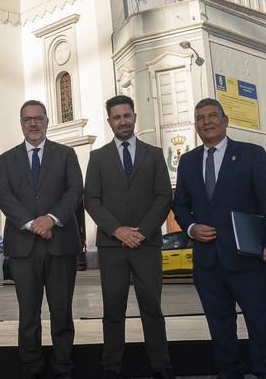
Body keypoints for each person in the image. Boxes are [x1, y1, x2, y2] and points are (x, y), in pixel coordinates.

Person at [173, 98, 266, 379]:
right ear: (196, 125)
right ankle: (229, 374)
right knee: (220, 329)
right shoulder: (187, 161)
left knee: (262, 326)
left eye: (213, 116)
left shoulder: (251, 154)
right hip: (208, 263)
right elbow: (180, 205)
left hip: (248, 260)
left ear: (225, 121)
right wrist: (190, 228)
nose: (207, 122)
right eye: (200, 118)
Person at [84, 95, 174, 379]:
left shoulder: (154, 154)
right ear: (109, 121)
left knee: (152, 306)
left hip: (147, 244)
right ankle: (111, 367)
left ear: (134, 117)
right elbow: (92, 200)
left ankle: (161, 365)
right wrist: (118, 230)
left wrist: (143, 232)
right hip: (112, 245)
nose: (123, 121)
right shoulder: (97, 157)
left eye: (127, 115)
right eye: (117, 117)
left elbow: (163, 197)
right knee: (113, 308)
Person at [0, 100, 84, 379]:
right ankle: (31, 368)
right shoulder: (7, 159)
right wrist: (33, 223)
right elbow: (4, 195)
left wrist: (52, 219)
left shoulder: (66, 154)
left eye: (38, 118)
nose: (33, 124)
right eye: (27, 120)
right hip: (24, 248)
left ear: (46, 121)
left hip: (60, 246)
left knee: (61, 313)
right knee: (28, 316)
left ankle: (63, 368)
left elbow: (74, 191)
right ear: (21, 124)